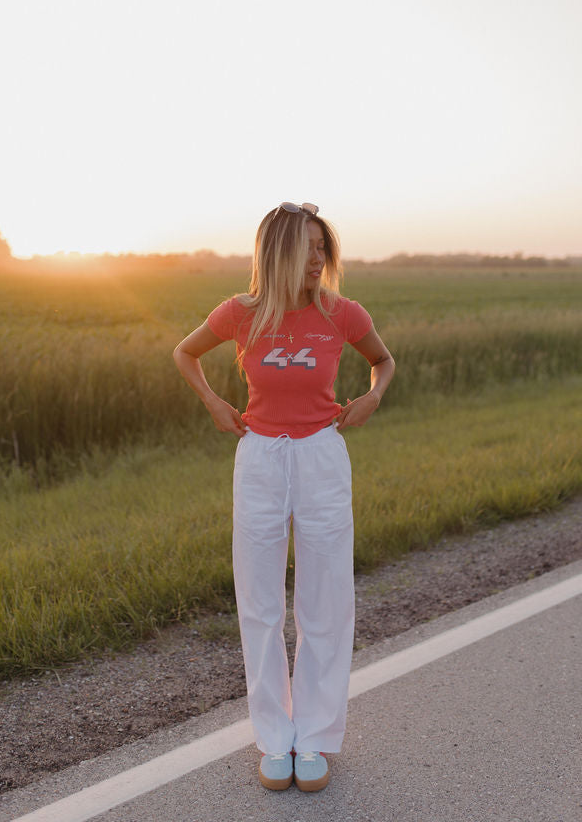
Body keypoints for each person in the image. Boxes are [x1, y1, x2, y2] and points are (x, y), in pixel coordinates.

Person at [173, 202, 395, 793]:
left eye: (324, 247)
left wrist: (374, 396)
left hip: (323, 455)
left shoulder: (342, 313)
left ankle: (315, 737)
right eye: (308, 247)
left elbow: (383, 361)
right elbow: (184, 353)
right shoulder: (239, 314)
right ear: (276, 253)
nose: (320, 258)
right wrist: (215, 403)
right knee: (261, 603)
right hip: (260, 459)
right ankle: (275, 739)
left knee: (326, 600)